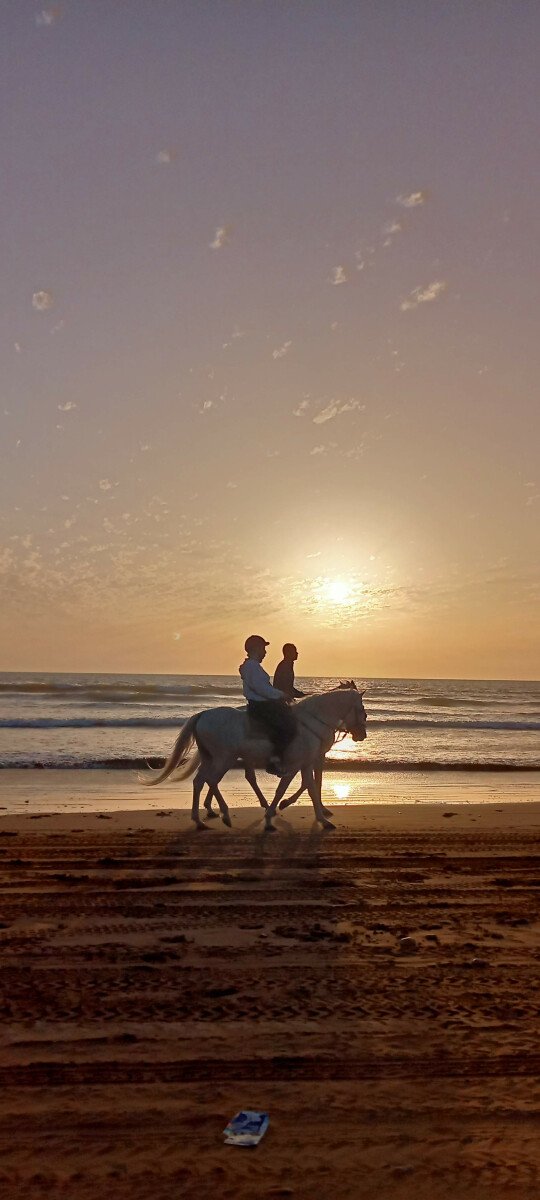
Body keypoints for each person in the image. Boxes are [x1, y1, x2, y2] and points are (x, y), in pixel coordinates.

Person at [239, 634, 297, 776]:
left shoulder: (253, 666)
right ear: (256, 649)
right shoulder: (252, 666)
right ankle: (274, 762)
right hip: (261, 705)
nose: (265, 653)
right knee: (288, 727)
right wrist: (281, 695)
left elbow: (264, 688)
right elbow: (261, 689)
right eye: (263, 649)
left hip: (262, 703)